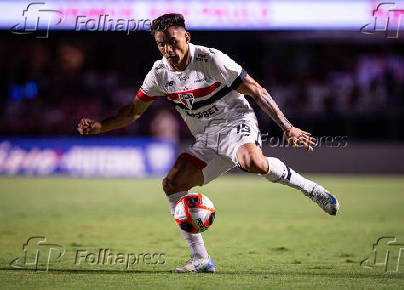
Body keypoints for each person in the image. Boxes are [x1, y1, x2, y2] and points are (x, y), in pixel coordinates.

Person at [77, 13, 340, 273]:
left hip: (235, 121)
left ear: (187, 37)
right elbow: (132, 112)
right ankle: (200, 258)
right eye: (161, 44)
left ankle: (311, 189)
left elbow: (257, 90)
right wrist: (100, 126)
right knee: (172, 184)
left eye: (172, 41)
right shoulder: (159, 73)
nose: (168, 49)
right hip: (206, 138)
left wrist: (288, 127)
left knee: (252, 162)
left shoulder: (211, 59)